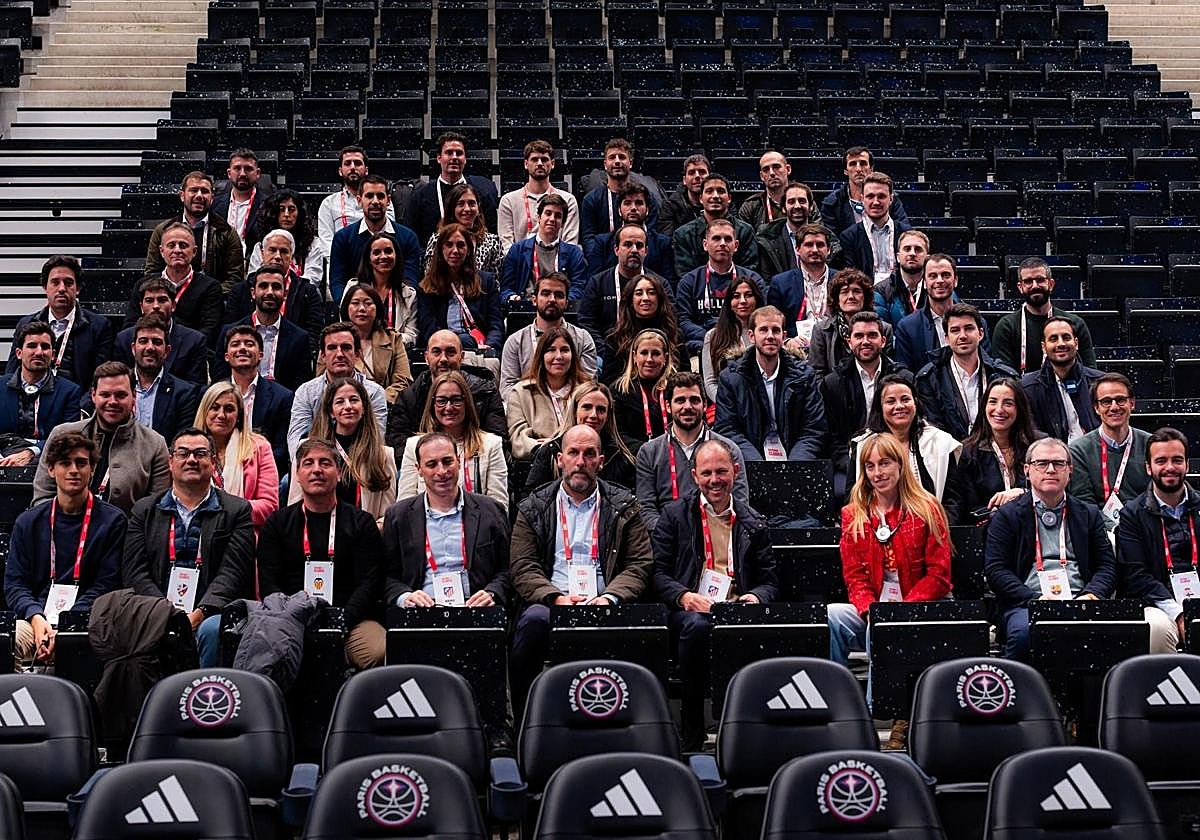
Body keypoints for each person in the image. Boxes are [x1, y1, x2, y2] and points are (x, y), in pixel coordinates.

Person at [508, 424, 654, 713]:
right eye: (573, 453)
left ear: (600, 462)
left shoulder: (624, 505)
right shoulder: (534, 506)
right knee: (532, 621)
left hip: (608, 599)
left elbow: (639, 563)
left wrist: (610, 597)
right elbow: (523, 566)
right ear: (560, 460)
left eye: (589, 454)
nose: (580, 461)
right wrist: (555, 597)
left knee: (648, 622)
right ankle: (525, 717)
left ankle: (641, 716)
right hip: (552, 600)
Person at [653, 438, 776, 749]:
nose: (714, 480)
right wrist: (683, 596)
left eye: (721, 472)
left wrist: (756, 597)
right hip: (692, 608)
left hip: (737, 607)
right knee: (695, 629)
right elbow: (657, 574)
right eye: (706, 473)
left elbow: (770, 581)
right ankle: (692, 731)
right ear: (694, 476)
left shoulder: (753, 521)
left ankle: (746, 733)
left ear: (735, 471)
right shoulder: (674, 516)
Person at [827, 432, 951, 715]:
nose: (877, 473)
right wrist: (871, 610)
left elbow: (939, 575)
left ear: (900, 465)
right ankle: (837, 703)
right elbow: (855, 576)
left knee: (883, 627)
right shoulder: (853, 514)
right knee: (832, 616)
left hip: (921, 605)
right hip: (875, 606)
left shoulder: (927, 508)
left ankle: (877, 711)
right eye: (870, 466)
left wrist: (899, 612)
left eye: (884, 464)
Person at [122, 427, 256, 667]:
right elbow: (135, 573)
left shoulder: (237, 511)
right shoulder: (144, 510)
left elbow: (234, 573)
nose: (192, 459)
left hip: (212, 613)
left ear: (213, 463)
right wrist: (165, 613)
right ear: (170, 461)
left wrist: (200, 612)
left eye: (200, 453)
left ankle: (205, 700)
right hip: (155, 609)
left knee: (212, 630)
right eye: (183, 453)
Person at [984, 436, 1119, 662]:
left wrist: (1091, 594)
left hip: (1080, 599)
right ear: (1027, 470)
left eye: (1058, 463)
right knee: (1023, 635)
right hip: (1027, 603)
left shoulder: (1089, 513)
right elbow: (996, 571)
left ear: (1070, 470)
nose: (1050, 470)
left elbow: (1107, 566)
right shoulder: (1007, 516)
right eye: (1041, 463)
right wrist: (1034, 598)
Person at [258, 438, 387, 669]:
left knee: (378, 651)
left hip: (351, 620)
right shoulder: (277, 523)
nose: (317, 469)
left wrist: (343, 619)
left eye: (325, 463)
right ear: (297, 474)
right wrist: (293, 617)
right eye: (308, 463)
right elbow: (270, 583)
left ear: (338, 473)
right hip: (290, 619)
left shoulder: (361, 522)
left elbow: (369, 583)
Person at [5, 433, 125, 664]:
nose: (73, 470)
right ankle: (19, 700)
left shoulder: (113, 521)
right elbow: (15, 584)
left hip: (88, 620)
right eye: (65, 463)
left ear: (92, 469)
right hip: (35, 620)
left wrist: (69, 623)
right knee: (12, 638)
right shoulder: (28, 522)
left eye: (81, 463)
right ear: (50, 469)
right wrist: (36, 616)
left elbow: (107, 584)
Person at [384, 433, 510, 612]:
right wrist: (405, 597)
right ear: (418, 469)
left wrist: (492, 593)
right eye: (431, 464)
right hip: (421, 611)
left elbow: (508, 570)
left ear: (459, 461)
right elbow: (387, 577)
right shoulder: (399, 516)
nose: (441, 471)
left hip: (476, 609)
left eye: (447, 461)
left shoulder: (490, 511)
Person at [34, 362, 171, 514]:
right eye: (105, 395)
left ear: (134, 396)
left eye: (120, 395)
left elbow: (156, 510)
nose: (112, 402)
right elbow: (43, 496)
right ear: (93, 395)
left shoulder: (155, 444)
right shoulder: (61, 434)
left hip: (127, 534)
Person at [1116, 427, 1197, 654]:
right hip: (1156, 602)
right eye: (1161, 461)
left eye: (1177, 460)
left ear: (1187, 465)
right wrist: (1179, 613)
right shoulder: (1132, 514)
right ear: (1148, 468)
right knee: (1158, 629)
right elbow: (1136, 576)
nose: (1170, 467)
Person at [637, 372, 749, 533]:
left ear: (704, 405)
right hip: (667, 541)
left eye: (694, 400)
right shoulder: (649, 452)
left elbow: (740, 503)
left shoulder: (729, 450)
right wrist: (670, 535)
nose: (687, 407)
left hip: (718, 535)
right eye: (680, 400)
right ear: (668, 406)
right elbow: (646, 508)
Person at [714, 305, 827, 462]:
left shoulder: (804, 376)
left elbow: (814, 428)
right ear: (751, 336)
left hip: (796, 458)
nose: (770, 336)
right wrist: (759, 465)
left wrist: (793, 466)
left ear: (784, 335)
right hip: (751, 462)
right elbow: (728, 429)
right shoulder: (731, 378)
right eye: (763, 330)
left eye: (775, 330)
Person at [849, 374, 961, 515]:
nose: (899, 406)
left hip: (932, 526)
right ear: (880, 407)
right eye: (891, 401)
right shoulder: (862, 445)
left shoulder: (940, 442)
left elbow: (953, 500)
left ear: (915, 403)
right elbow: (853, 498)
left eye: (905, 399)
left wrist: (938, 528)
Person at [385, 330, 508, 456]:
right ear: (426, 358)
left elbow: (498, 440)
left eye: (450, 352)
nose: (443, 359)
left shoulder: (486, 391)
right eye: (436, 352)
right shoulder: (408, 397)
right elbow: (398, 444)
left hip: (473, 461)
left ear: (462, 356)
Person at [399, 371, 508, 511]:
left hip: (476, 529)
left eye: (456, 400)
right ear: (432, 404)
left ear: (466, 402)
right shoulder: (414, 446)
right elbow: (405, 506)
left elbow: (499, 509)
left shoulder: (491, 445)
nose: (449, 407)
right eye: (441, 401)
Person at [292, 377, 397, 522]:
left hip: (362, 536)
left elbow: (387, 515)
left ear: (364, 407)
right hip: (317, 535)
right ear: (330, 411)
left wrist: (368, 531)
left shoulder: (383, 455)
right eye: (340, 402)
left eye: (354, 400)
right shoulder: (306, 449)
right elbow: (295, 504)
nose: (348, 406)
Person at [820, 312, 902, 486]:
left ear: (883, 341)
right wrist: (855, 465)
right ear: (849, 343)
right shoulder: (833, 383)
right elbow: (832, 437)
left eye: (872, 335)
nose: (865, 341)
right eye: (859, 336)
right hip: (849, 461)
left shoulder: (902, 378)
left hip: (896, 459)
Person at [915, 303, 1017, 441]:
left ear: (981, 334)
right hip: (950, 456)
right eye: (955, 330)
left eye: (969, 328)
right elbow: (934, 430)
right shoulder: (929, 379)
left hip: (995, 453)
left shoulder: (1003, 376)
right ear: (946, 338)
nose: (962, 336)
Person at [7, 255, 112, 389]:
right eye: (55, 282)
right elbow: (11, 374)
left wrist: (81, 408)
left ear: (78, 288)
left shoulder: (99, 326)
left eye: (68, 283)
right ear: (45, 287)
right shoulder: (26, 324)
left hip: (76, 404)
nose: (62, 288)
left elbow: (100, 380)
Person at [288, 323, 388, 462]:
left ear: (357, 354)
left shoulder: (374, 392)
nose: (339, 354)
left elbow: (376, 439)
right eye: (332, 348)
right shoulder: (306, 392)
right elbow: (297, 442)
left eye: (346, 348)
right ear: (322, 355)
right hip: (318, 465)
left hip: (361, 463)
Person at [1068, 373, 1150, 531]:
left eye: (1120, 400)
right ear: (1096, 408)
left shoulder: (1151, 445)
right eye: (1106, 402)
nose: (1114, 407)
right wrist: (1113, 530)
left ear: (1132, 403)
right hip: (1100, 533)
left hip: (1143, 530)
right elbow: (1084, 504)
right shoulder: (1078, 451)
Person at [212, 265, 314, 392]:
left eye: (276, 287)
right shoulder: (230, 332)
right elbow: (220, 378)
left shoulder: (299, 338)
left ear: (285, 293)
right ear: (253, 293)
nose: (270, 292)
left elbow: (301, 387)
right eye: (263, 286)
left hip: (282, 405)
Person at [525, 381, 636, 496]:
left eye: (601, 409)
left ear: (608, 416)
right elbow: (532, 500)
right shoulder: (550, 451)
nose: (593, 415)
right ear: (574, 411)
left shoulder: (620, 457)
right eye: (587, 407)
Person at [674, 218, 767, 357]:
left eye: (727, 239)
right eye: (716, 239)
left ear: (736, 245)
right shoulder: (689, 281)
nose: (722, 244)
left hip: (747, 345)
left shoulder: (753, 280)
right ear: (705, 245)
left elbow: (762, 316)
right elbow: (684, 321)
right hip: (703, 345)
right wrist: (716, 336)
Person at [498, 270, 597, 399]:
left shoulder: (583, 339)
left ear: (566, 303)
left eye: (559, 295)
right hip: (529, 410)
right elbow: (507, 387)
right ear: (534, 300)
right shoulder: (515, 341)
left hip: (570, 409)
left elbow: (587, 385)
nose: (552, 299)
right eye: (545, 294)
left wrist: (560, 402)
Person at [193, 381, 279, 529]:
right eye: (214, 408)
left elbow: (269, 507)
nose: (221, 415)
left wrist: (222, 509)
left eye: (229, 409)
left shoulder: (259, 447)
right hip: (197, 532)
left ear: (238, 415)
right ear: (204, 411)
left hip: (244, 535)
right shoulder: (188, 450)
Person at [953, 378, 1039, 524]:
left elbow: (1053, 491)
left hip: (1034, 525)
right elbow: (967, 508)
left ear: (1019, 408)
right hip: (990, 531)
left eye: (1008, 403)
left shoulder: (1037, 446)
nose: (999, 409)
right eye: (993, 402)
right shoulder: (968, 452)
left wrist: (1025, 494)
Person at [992, 257, 1096, 375]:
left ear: (1051, 284)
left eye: (1040, 280)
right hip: (1021, 391)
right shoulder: (1007, 326)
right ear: (1020, 287)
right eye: (1028, 281)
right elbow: (1004, 376)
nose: (1035, 286)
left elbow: (1090, 372)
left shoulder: (1074, 323)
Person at [223, 230, 326, 350]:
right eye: (272, 250)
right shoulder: (240, 290)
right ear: (262, 253)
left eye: (284, 251)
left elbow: (312, 335)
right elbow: (230, 330)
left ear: (291, 256)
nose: (277, 257)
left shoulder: (308, 292)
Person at [416, 222, 503, 362]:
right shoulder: (427, 287)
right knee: (463, 341)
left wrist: (490, 347)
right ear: (440, 249)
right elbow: (429, 329)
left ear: (468, 250)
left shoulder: (486, 282)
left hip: (480, 350)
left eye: (461, 245)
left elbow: (495, 324)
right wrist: (451, 346)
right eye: (449, 245)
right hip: (444, 351)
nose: (455, 250)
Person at [144, 171, 244, 293]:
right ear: (182, 195)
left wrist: (210, 295)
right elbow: (152, 273)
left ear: (212, 198)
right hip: (171, 298)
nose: (199, 195)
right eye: (193, 190)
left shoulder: (227, 232)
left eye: (205, 191)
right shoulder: (162, 231)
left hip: (212, 301)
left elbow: (234, 278)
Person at [0, 321, 82, 466]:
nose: (38, 352)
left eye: (45, 347)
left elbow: (69, 437)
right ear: (19, 353)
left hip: (48, 461)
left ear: (53, 355)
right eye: (32, 346)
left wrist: (32, 451)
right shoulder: (0, 386)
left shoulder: (69, 391)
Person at [329, 174, 422, 302]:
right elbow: (337, 282)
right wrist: (351, 306)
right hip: (356, 310)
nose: (375, 201)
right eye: (369, 196)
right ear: (359, 200)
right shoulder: (342, 238)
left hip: (397, 308)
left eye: (380, 196)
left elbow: (410, 280)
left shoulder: (408, 237)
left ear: (388, 201)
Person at [580, 221, 666, 355]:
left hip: (650, 353)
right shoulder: (597, 283)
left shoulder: (660, 284)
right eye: (627, 244)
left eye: (639, 245)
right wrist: (606, 351)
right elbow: (587, 322)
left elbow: (667, 321)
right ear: (616, 249)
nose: (634, 250)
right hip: (606, 351)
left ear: (646, 251)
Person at [506, 325, 590, 460]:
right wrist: (545, 450)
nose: (559, 356)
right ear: (541, 355)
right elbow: (517, 439)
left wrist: (554, 444)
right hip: (538, 463)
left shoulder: (587, 390)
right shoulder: (521, 392)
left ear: (573, 355)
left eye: (564, 350)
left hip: (581, 460)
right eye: (551, 350)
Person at [134, 222, 224, 346]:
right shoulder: (143, 285)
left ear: (194, 251)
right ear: (161, 251)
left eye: (183, 245)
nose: (177, 250)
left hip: (190, 353)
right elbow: (130, 326)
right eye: (171, 245)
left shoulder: (210, 287)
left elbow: (209, 331)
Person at [219, 326, 294, 473]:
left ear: (260, 355)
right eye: (235, 344)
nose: (242, 349)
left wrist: (251, 467)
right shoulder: (212, 394)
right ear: (227, 356)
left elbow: (281, 450)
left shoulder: (282, 397)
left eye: (249, 344)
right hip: (220, 468)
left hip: (263, 469)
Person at [323, 283, 414, 403]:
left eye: (368, 303)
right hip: (341, 406)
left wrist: (376, 400)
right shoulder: (331, 339)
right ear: (346, 308)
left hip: (383, 406)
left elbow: (403, 381)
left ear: (377, 308)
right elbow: (322, 382)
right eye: (355, 303)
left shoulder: (393, 339)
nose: (361, 308)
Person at [1020, 317, 1104, 444]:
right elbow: (1029, 432)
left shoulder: (1099, 382)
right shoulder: (1027, 387)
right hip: (1051, 457)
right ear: (1043, 347)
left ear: (1076, 343)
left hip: (1095, 456)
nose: (1061, 344)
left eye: (1066, 337)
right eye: (1053, 339)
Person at [406, 131, 500, 245]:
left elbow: (491, 231)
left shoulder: (483, 192)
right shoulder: (420, 196)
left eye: (459, 153)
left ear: (465, 159)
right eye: (449, 153)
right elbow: (413, 240)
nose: (454, 157)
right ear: (439, 158)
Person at [114, 277, 208, 386]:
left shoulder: (194, 341)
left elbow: (196, 389)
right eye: (149, 301)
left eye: (162, 300)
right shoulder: (123, 340)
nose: (156, 306)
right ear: (141, 307)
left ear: (173, 305)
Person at [499, 193, 588, 302]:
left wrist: (562, 300)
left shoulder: (574, 253)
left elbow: (579, 288)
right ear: (539, 217)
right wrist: (512, 297)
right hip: (525, 307)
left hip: (560, 310)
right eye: (548, 213)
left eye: (558, 216)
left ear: (563, 223)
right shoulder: (517, 250)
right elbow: (506, 288)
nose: (552, 219)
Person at [128, 315, 202, 441]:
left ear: (167, 351)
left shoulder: (184, 394)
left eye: (156, 342)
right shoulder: (116, 387)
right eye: (143, 341)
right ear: (133, 348)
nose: (150, 347)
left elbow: (180, 443)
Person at [584, 182, 675, 285]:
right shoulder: (602, 243)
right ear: (619, 210)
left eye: (639, 203)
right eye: (627, 203)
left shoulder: (662, 244)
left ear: (647, 209)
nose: (633, 208)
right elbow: (594, 283)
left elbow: (668, 284)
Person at [807, 268, 892, 378]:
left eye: (856, 291)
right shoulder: (822, 330)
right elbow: (816, 373)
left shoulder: (884, 329)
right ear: (837, 299)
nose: (851, 296)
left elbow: (888, 371)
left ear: (865, 297)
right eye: (844, 292)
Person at [341, 230, 419, 349]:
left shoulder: (408, 294)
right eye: (376, 252)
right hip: (359, 352)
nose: (383, 256)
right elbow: (345, 326)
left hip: (395, 354)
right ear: (369, 258)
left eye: (388, 251)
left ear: (396, 256)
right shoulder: (353, 288)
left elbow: (411, 336)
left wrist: (386, 341)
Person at [497, 139, 580, 249]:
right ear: (526, 164)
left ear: (553, 164)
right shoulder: (509, 201)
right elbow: (506, 245)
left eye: (544, 159)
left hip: (557, 263)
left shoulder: (568, 200)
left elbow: (570, 244)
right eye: (535, 159)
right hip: (520, 263)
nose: (540, 164)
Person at [672, 174, 759, 279]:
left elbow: (750, 270)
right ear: (700, 198)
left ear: (729, 198)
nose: (715, 196)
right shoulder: (683, 235)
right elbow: (685, 275)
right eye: (709, 191)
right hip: (699, 293)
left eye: (721, 191)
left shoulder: (746, 231)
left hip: (738, 291)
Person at [893, 253, 969, 372]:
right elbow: (903, 373)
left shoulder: (974, 322)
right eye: (933, 276)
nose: (939, 281)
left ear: (955, 281)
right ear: (924, 283)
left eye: (945, 275)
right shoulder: (907, 327)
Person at [599, 274, 681, 380]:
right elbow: (609, 380)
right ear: (631, 301)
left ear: (659, 299)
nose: (645, 298)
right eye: (639, 293)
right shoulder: (615, 337)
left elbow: (684, 376)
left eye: (651, 293)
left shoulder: (675, 335)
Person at [766, 219, 834, 347]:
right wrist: (787, 341)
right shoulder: (781, 283)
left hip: (834, 346)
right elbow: (772, 321)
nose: (814, 250)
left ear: (829, 249)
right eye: (809, 245)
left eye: (820, 245)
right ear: (797, 249)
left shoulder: (841, 281)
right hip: (797, 347)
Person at [580, 138, 658, 248]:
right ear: (605, 164)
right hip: (604, 260)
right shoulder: (591, 200)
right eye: (612, 157)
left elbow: (652, 237)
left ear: (630, 163)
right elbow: (589, 241)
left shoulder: (647, 198)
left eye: (622, 157)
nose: (617, 161)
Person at [839, 172, 913, 286]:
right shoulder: (849, 236)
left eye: (881, 196)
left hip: (901, 293)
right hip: (866, 295)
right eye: (870, 196)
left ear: (891, 199)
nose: (876, 202)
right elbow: (851, 276)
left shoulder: (906, 233)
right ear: (862, 199)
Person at [318, 146, 393, 255]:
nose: (353, 167)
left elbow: (388, 234)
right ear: (340, 171)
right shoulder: (329, 204)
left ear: (366, 170)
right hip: (344, 260)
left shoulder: (382, 200)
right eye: (347, 163)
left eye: (357, 163)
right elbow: (326, 243)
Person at [610, 328, 677, 453]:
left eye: (656, 353)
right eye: (644, 353)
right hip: (633, 458)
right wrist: (648, 451)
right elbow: (618, 435)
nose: (649, 359)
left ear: (665, 358)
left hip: (674, 454)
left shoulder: (677, 388)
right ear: (635, 356)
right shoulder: (619, 390)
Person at [247, 188, 325, 291]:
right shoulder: (262, 244)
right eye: (281, 209)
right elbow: (254, 276)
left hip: (300, 295)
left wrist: (288, 289)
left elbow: (313, 278)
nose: (287, 214)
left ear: (299, 214)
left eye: (291, 209)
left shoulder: (313, 243)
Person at [820, 146, 910, 235]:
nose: (858, 169)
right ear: (845, 171)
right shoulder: (832, 203)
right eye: (853, 164)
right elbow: (831, 240)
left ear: (871, 168)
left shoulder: (889, 199)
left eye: (863, 163)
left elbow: (905, 233)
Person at [758, 182, 840, 280]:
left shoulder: (829, 240)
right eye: (791, 202)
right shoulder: (767, 240)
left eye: (802, 201)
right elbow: (766, 282)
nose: (797, 206)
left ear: (811, 207)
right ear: (783, 208)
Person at [421, 183, 504, 277]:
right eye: (460, 204)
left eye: (472, 203)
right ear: (452, 208)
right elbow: (430, 278)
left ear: (478, 207)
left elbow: (497, 281)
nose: (467, 209)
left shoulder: (493, 242)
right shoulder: (437, 240)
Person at [701, 275, 762, 404]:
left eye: (748, 295)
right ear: (728, 301)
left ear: (757, 299)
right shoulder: (713, 336)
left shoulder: (766, 333)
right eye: (736, 296)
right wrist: (728, 404)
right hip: (727, 405)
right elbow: (710, 382)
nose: (743, 301)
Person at [212, 148, 273, 249]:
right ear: (229, 173)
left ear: (257, 173)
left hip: (254, 262)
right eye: (237, 168)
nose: (242, 174)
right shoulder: (214, 204)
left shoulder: (269, 206)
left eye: (248, 169)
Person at [874, 229, 930, 327]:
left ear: (927, 258)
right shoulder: (881, 291)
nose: (912, 253)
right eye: (907, 249)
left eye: (918, 249)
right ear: (898, 257)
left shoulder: (938, 287)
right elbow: (882, 331)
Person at [657, 153, 709, 237]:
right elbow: (668, 239)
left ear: (710, 177)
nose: (697, 176)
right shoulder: (670, 206)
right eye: (691, 173)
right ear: (684, 180)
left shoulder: (723, 203)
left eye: (702, 172)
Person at [738, 151, 792, 230]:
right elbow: (744, 239)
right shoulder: (750, 206)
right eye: (766, 169)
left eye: (776, 167)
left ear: (788, 169)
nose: (772, 173)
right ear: (761, 176)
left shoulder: (803, 202)